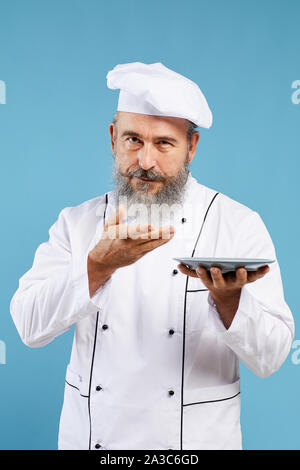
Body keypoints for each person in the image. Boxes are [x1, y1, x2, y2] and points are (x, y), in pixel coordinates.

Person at [10, 62, 294, 450]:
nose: (145, 161)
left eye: (163, 143)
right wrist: (97, 267)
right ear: (113, 138)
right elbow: (28, 326)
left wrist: (230, 303)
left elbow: (273, 355)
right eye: (132, 140)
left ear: (191, 147)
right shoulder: (77, 223)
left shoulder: (237, 224)